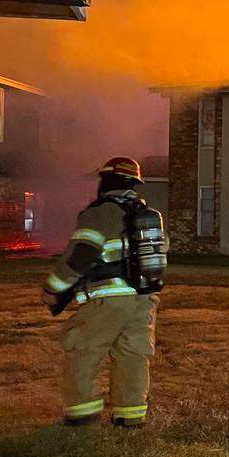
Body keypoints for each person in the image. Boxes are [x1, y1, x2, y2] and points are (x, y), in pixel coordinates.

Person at [41, 157, 166, 428]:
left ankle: (82, 413)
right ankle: (130, 417)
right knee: (133, 356)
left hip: (107, 300)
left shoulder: (100, 213)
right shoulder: (147, 215)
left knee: (82, 350)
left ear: (107, 181)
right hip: (143, 299)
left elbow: (81, 255)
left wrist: (54, 289)